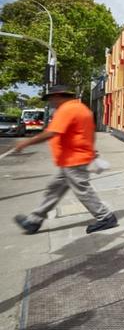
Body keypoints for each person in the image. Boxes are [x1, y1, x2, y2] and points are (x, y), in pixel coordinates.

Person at [13, 85, 118, 235]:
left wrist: (26, 143)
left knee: (82, 191)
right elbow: (90, 134)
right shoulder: (82, 109)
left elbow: (52, 132)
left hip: (73, 159)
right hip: (71, 159)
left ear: (58, 96)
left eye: (51, 99)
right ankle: (34, 221)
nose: (50, 102)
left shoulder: (67, 110)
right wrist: (90, 150)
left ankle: (105, 217)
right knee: (54, 190)